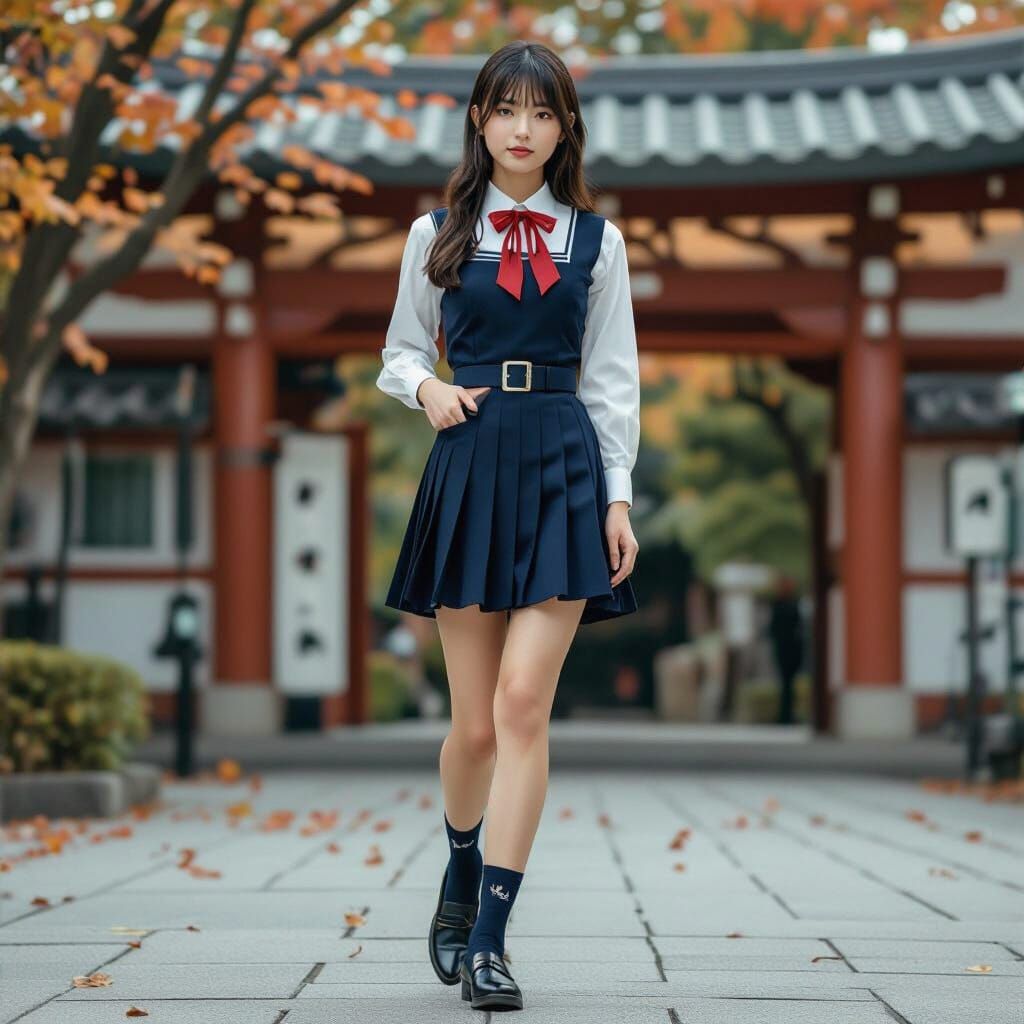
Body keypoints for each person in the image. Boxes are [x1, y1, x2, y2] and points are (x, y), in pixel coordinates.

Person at [375, 40, 640, 1011]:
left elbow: (613, 381)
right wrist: (428, 389)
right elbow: (398, 352)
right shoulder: (435, 233)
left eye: (542, 111)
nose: (522, 128)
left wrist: (617, 498)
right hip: (471, 457)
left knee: (525, 705)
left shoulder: (595, 242)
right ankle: (457, 860)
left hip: (564, 460)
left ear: (565, 127)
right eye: (505, 109)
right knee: (474, 726)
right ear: (479, 121)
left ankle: (489, 934)